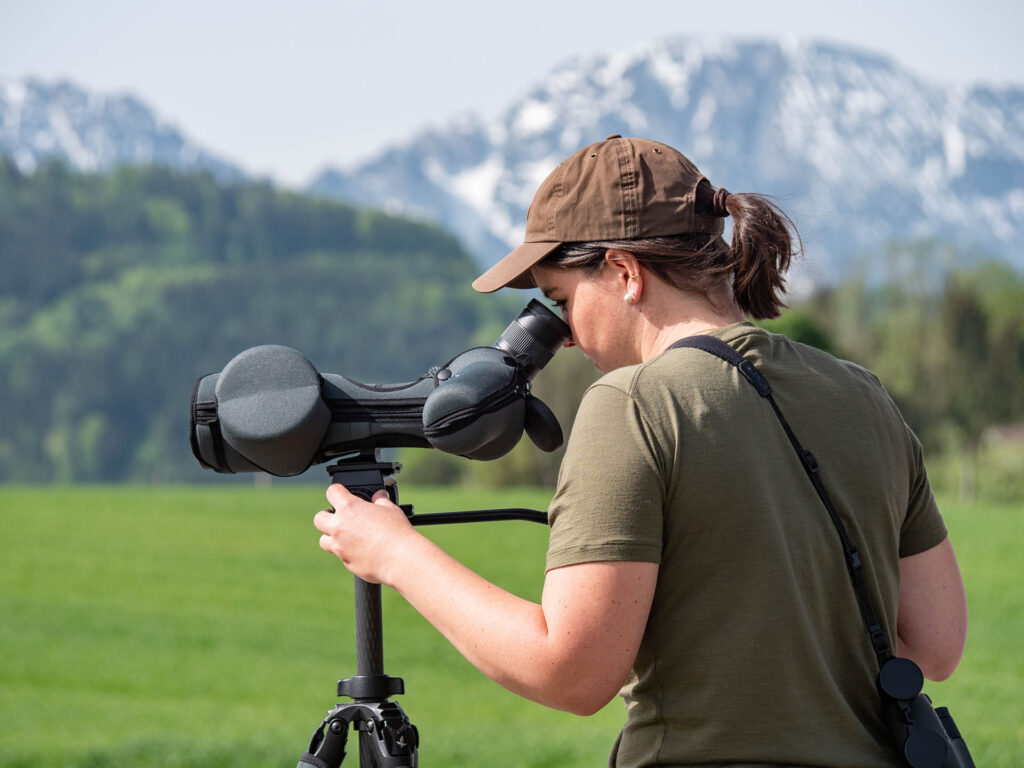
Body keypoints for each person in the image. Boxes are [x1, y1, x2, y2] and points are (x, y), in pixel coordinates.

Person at [314, 135, 968, 767]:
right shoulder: (863, 396)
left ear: (625, 272)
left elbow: (569, 672)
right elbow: (935, 646)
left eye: (562, 300)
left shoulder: (632, 405)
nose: (563, 334)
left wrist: (396, 554)